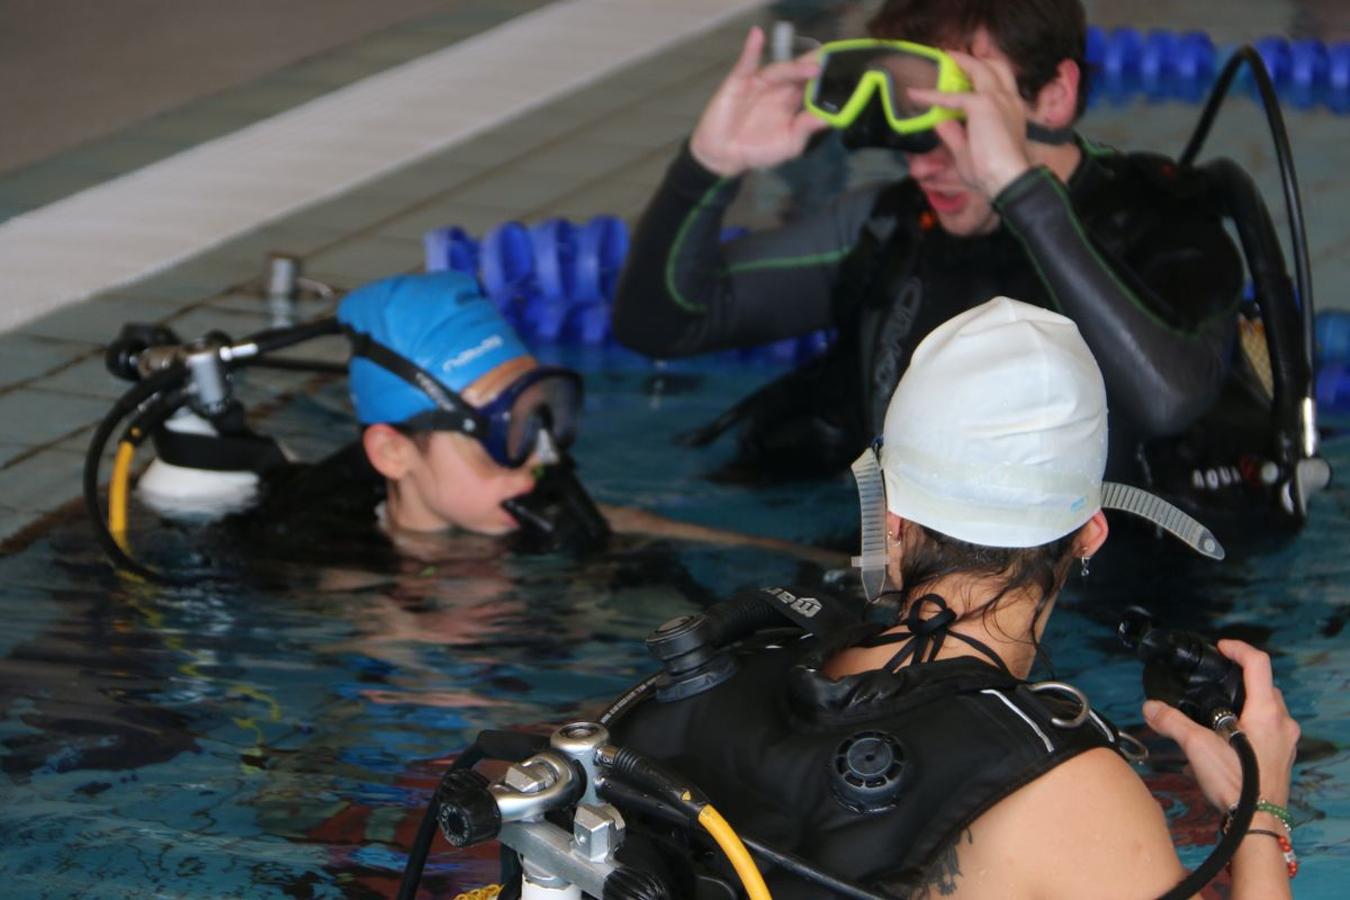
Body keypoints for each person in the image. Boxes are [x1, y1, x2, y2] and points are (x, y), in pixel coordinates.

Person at [605, 298, 1301, 899]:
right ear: (1089, 535)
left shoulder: (713, 680)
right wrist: (1260, 807)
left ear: (891, 521)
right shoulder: (1069, 794)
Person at [610, 0, 1245, 490]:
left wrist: (1017, 192)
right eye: (914, 120)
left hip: (1119, 625)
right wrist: (708, 167)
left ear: (1053, 97)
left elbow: (1168, 399)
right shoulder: (890, 228)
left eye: (963, 114)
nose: (924, 162)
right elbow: (661, 324)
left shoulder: (1171, 229)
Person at [239, 270, 844, 569]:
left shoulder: (527, 490)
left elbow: (625, 522)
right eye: (497, 438)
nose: (534, 459)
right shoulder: (338, 567)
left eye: (536, 419)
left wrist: (817, 564)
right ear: (393, 453)